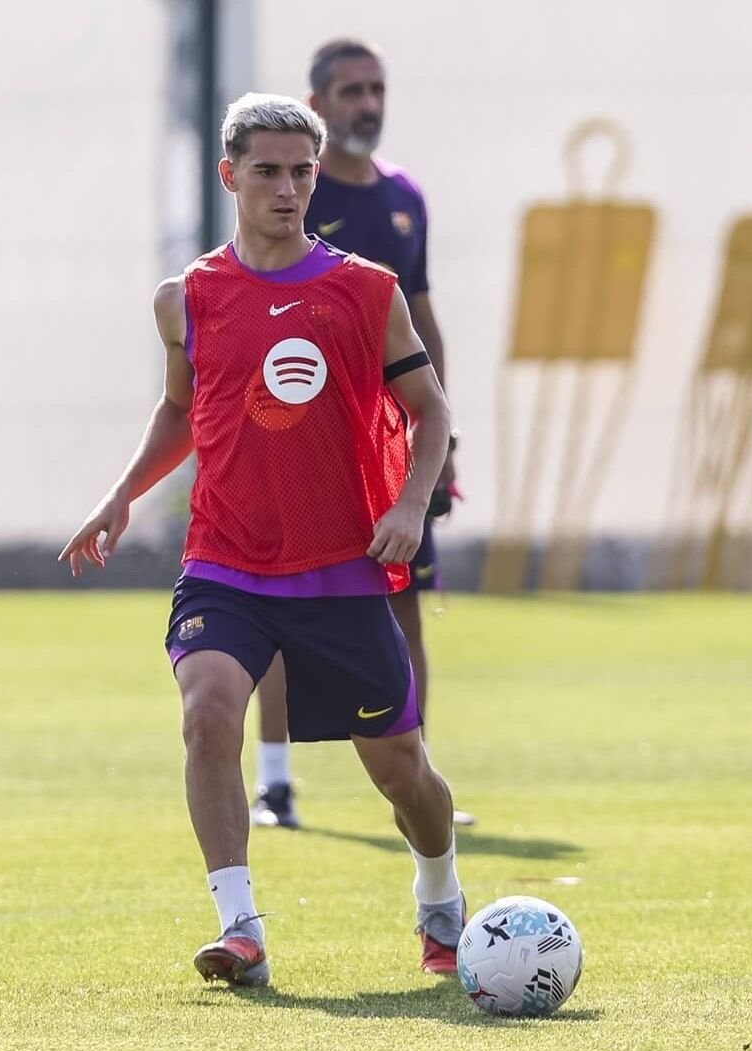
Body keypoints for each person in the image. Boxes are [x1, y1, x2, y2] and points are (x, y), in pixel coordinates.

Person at [59, 93, 467, 982]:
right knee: (207, 713)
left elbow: (430, 411)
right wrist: (122, 494)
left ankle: (439, 894)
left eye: (301, 172)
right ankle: (240, 928)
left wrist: (407, 506)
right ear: (229, 177)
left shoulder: (365, 291)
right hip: (226, 561)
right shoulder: (187, 299)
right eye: (268, 172)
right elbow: (181, 408)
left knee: (403, 775)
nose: (287, 189)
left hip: (344, 570)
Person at [248, 38, 471, 830]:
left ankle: (420, 780)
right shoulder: (288, 204)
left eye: (376, 89)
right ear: (318, 104)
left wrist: (439, 441)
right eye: (351, 91)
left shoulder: (404, 198)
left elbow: (425, 317)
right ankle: (275, 785)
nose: (367, 104)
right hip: (304, 444)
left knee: (404, 605)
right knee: (269, 603)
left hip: (391, 449)